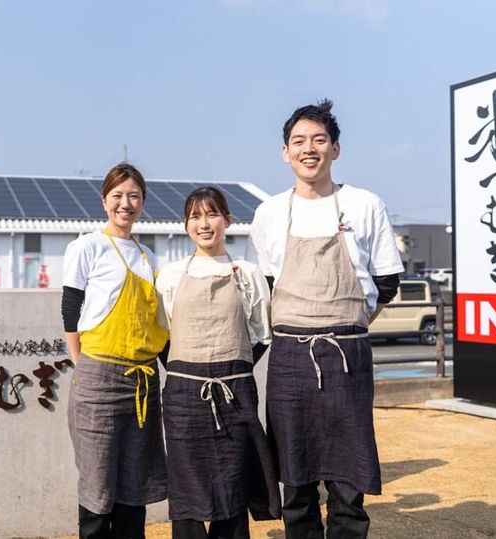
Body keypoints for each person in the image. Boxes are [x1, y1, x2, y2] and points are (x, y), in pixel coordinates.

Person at [246, 100, 403, 538]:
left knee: (347, 477)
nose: (308, 149)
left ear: (336, 149)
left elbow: (386, 281)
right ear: (285, 153)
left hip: (348, 353)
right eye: (299, 142)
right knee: (295, 477)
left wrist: (350, 322)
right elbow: (268, 284)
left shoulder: (364, 204)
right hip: (290, 356)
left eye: (319, 140)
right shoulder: (270, 213)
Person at [156, 187, 281, 539]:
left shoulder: (248, 273)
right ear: (186, 225)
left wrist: (232, 370)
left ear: (227, 220)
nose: (204, 223)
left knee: (233, 482)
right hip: (182, 396)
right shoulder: (169, 275)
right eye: (195, 216)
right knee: (186, 488)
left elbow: (261, 334)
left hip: (235, 393)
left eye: (212, 214)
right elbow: (163, 336)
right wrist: (188, 373)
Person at [62, 162, 169, 539]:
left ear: (143, 203)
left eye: (134, 196)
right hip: (98, 376)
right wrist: (81, 363)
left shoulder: (149, 257)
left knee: (133, 481)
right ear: (105, 200)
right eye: (118, 196)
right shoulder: (87, 245)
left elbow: (157, 322)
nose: (126, 204)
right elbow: (70, 308)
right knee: (97, 479)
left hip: (142, 380)